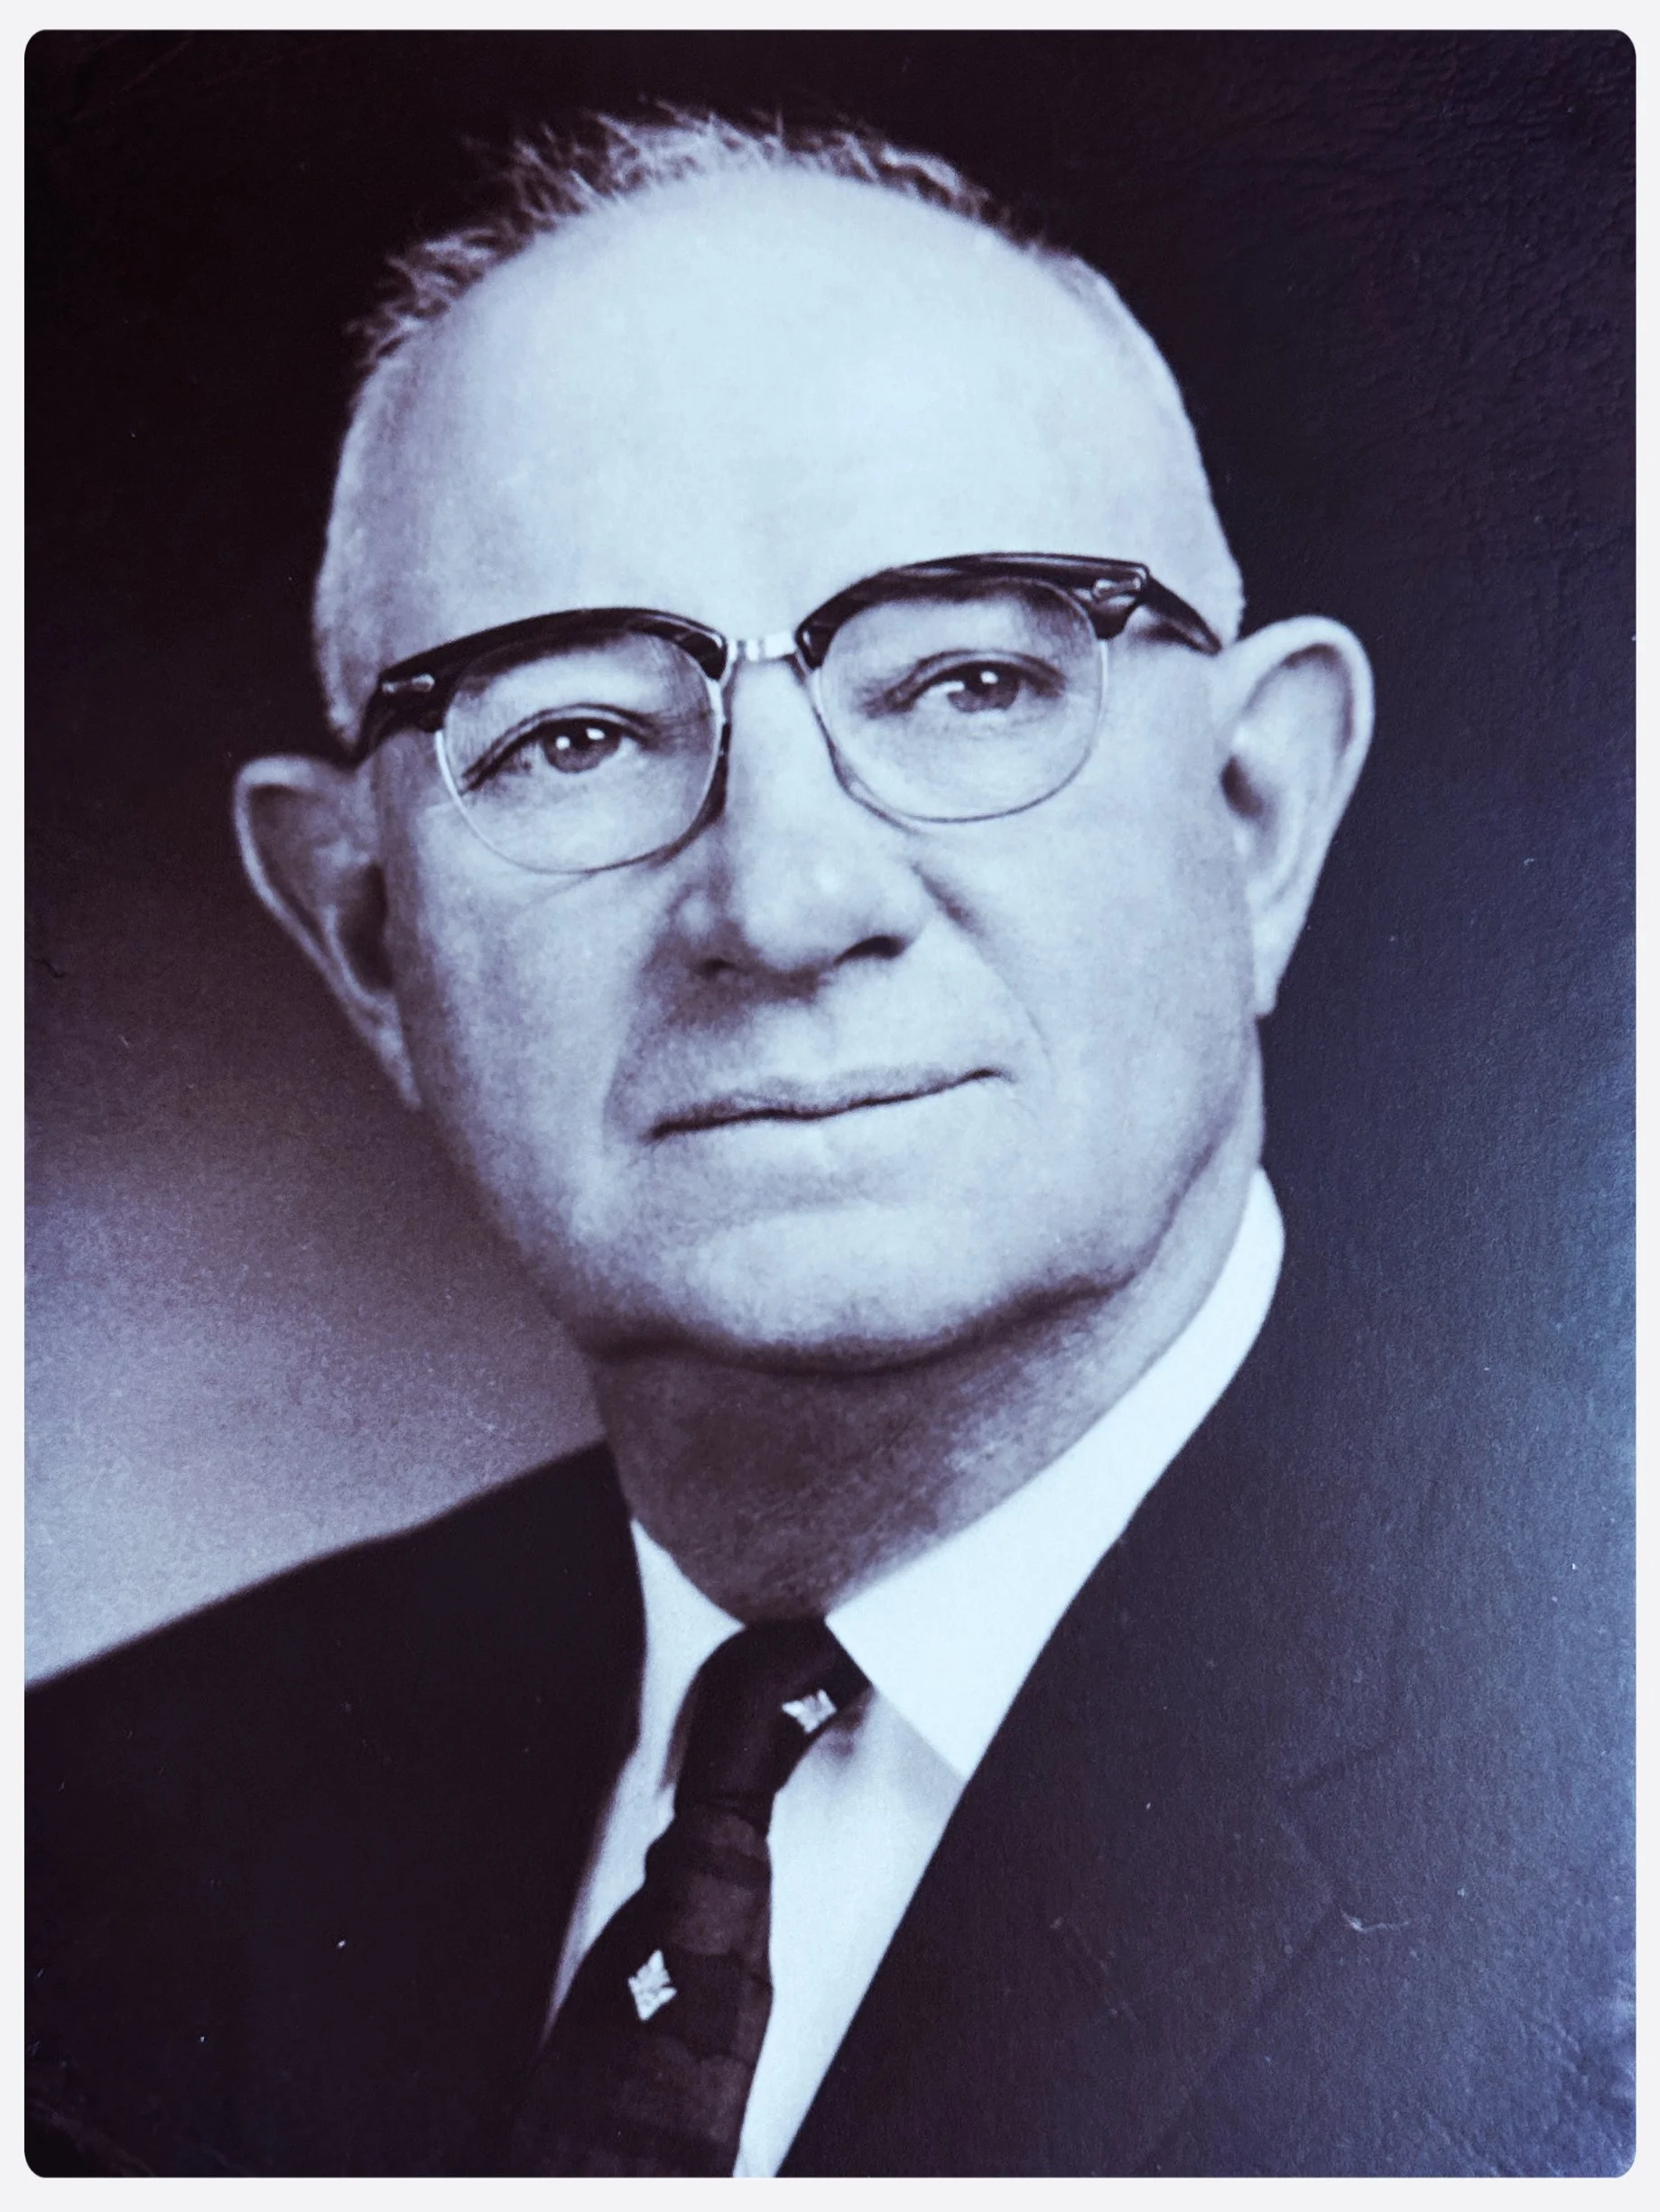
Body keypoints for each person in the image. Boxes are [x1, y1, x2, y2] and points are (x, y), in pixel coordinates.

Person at [25, 110, 1631, 2177]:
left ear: (1255, 818)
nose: (783, 902)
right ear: (366, 933)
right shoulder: (81, 1841)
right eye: (573, 735)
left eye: (966, 682)